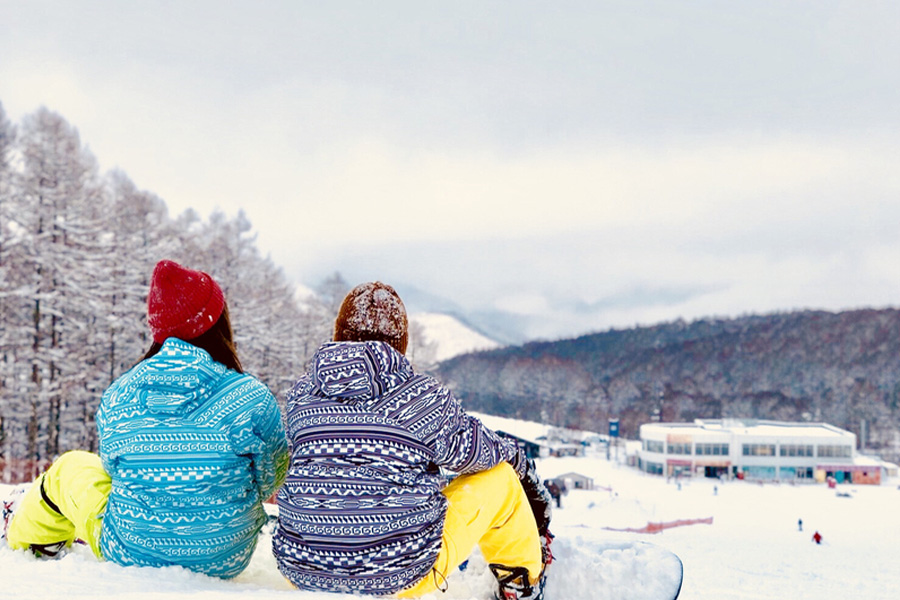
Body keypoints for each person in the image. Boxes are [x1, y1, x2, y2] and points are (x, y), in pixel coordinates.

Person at [4, 259, 289, 578]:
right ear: (218, 324)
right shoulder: (251, 396)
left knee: (69, 468)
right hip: (227, 556)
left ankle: (22, 534)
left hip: (129, 551)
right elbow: (272, 478)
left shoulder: (120, 394)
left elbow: (113, 472)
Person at [273, 282, 552, 600]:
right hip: (399, 580)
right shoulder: (421, 396)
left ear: (338, 334)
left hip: (304, 574)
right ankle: (521, 584)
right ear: (401, 342)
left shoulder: (302, 395)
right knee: (500, 477)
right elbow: (478, 453)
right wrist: (516, 458)